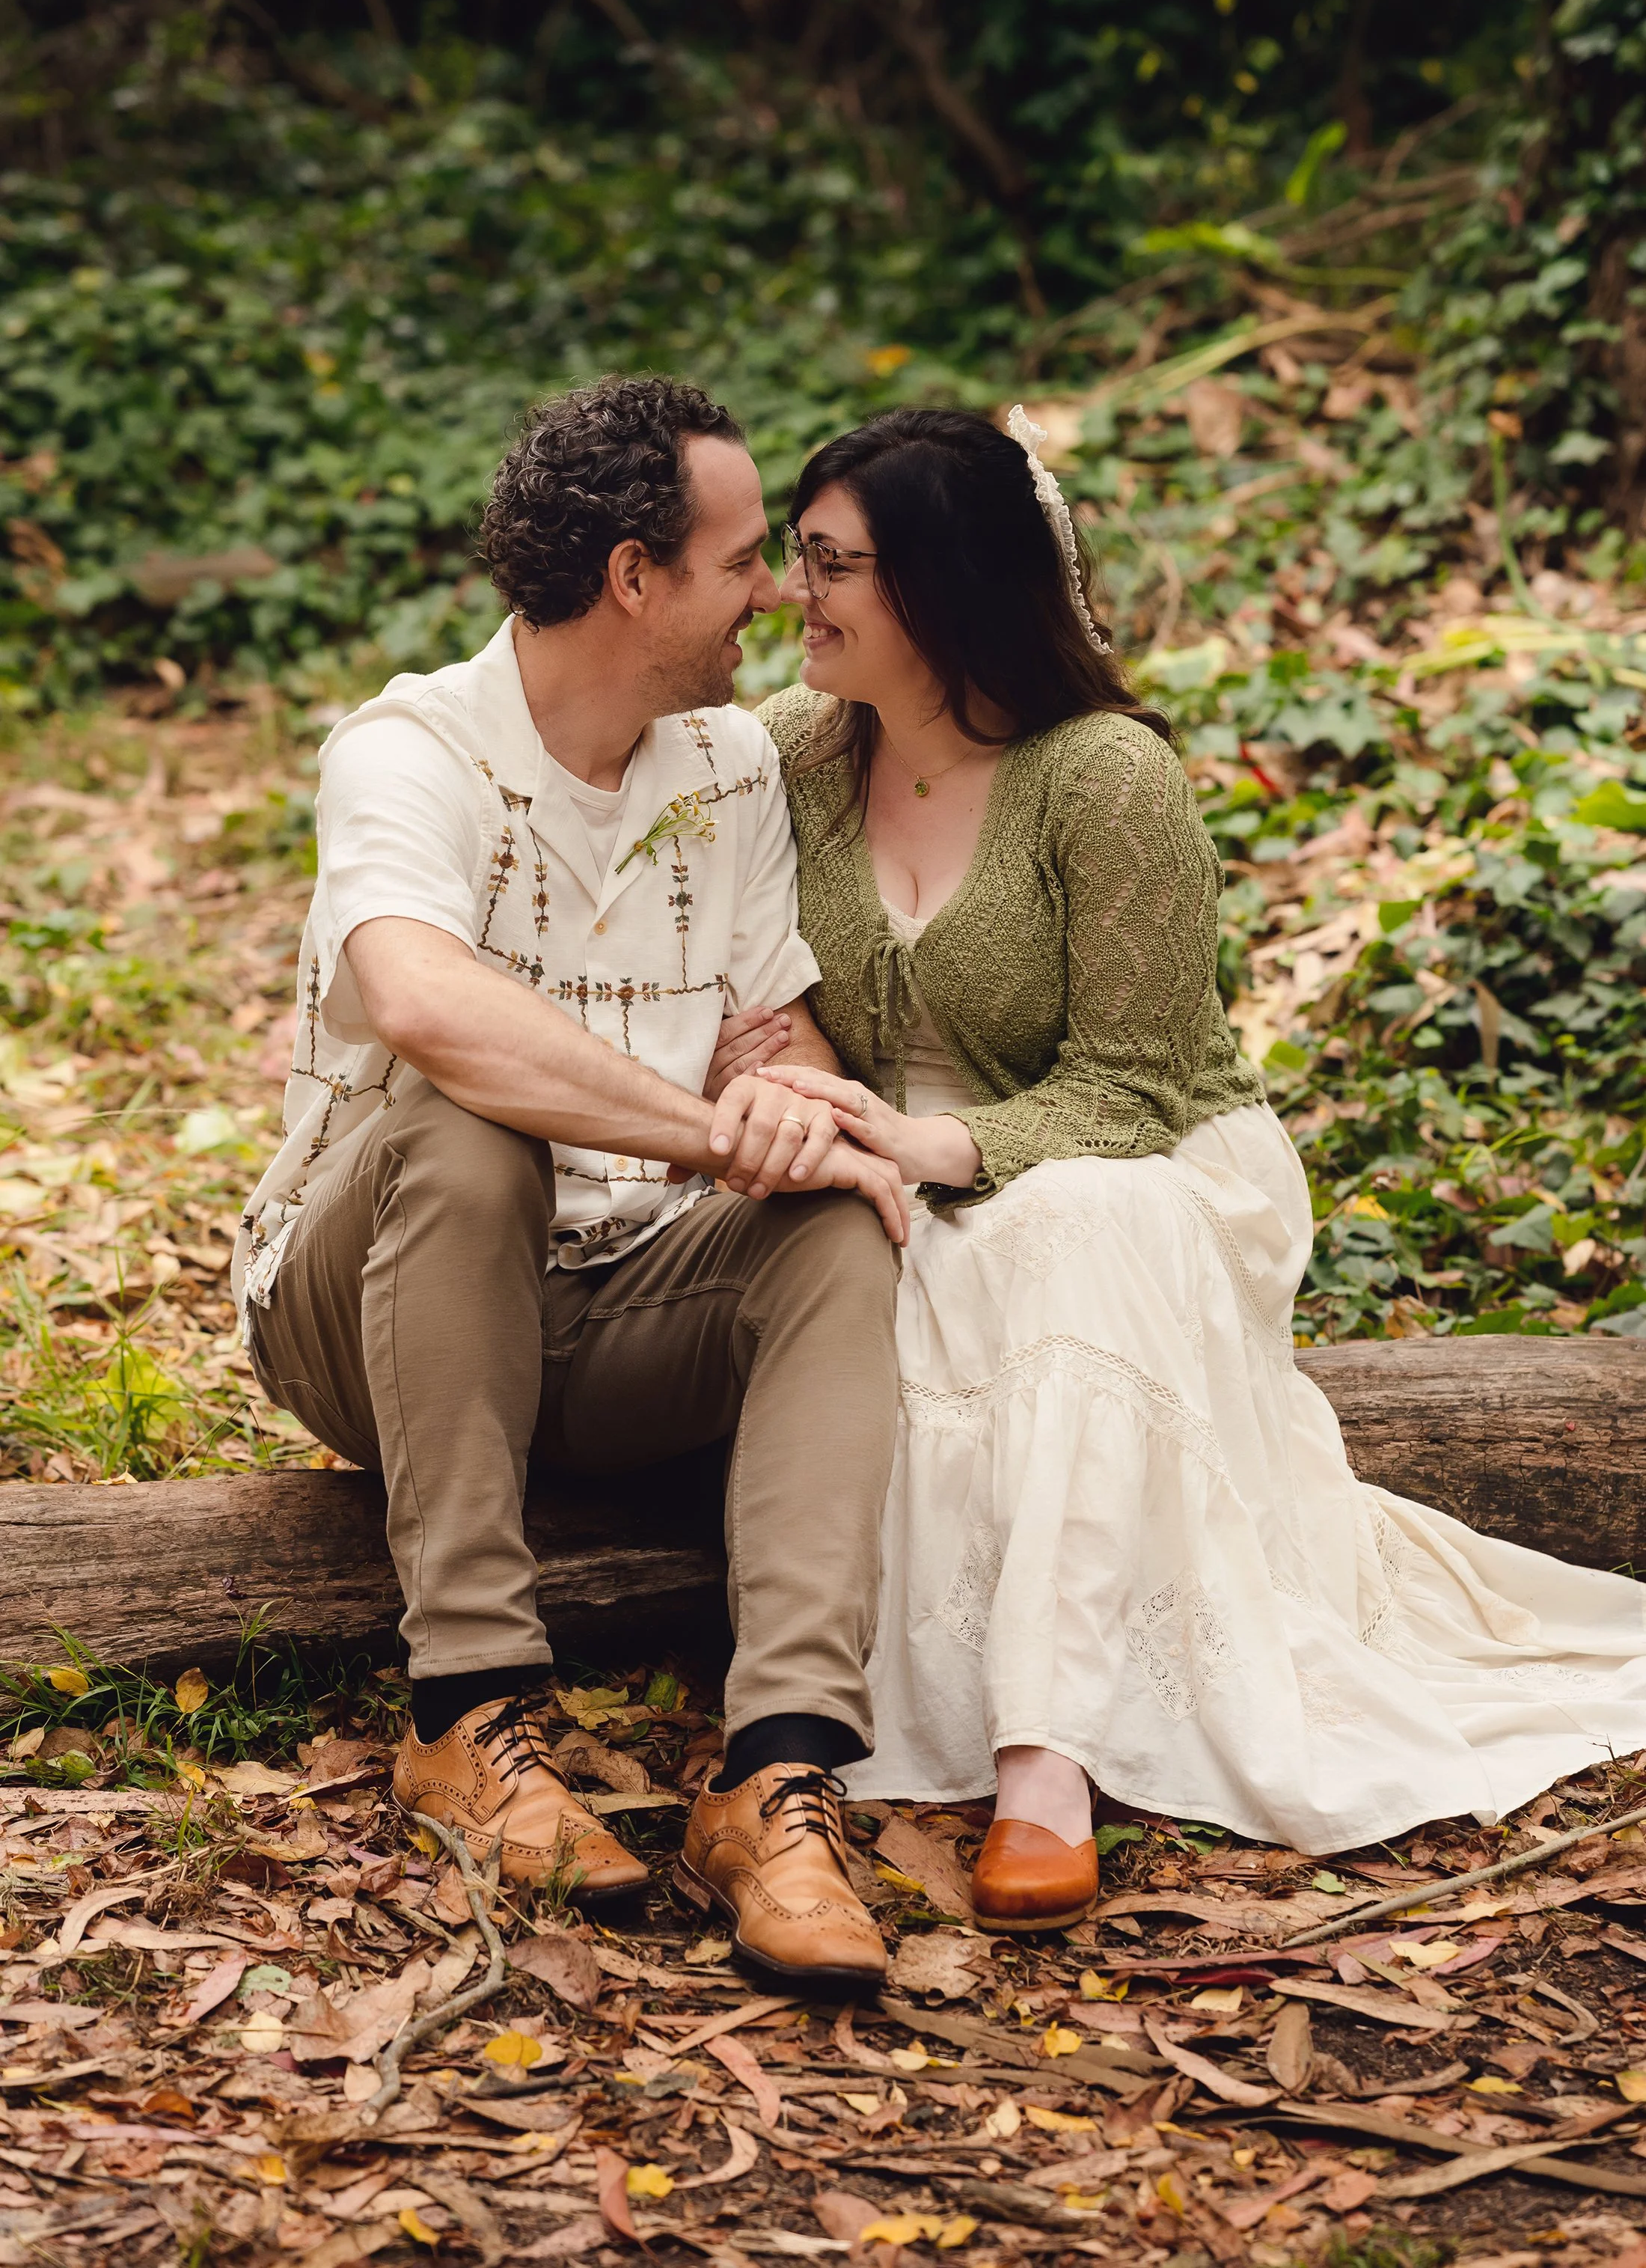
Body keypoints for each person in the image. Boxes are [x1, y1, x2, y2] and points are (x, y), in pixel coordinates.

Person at [712, 402, 1646, 1931]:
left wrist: (941, 1140)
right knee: (868, 1270)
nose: (787, 595)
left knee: (1079, 1225)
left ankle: (1043, 1762)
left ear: (942, 584)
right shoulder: (784, 759)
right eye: (795, 558)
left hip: (1139, 1164)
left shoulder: (1103, 778)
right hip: (892, 1169)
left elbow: (1134, 1089)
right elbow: (721, 968)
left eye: (829, 565)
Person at [232, 374, 910, 1987]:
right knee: (470, 1132)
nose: (773, 593)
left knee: (827, 1221)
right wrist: (697, 1125)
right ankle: (467, 1715)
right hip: (370, 1306)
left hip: (613, 1313)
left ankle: (777, 1777)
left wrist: (800, 1111)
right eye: (744, 560)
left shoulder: (729, 766)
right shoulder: (410, 751)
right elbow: (419, 1001)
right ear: (634, 577)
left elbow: (777, 1037)